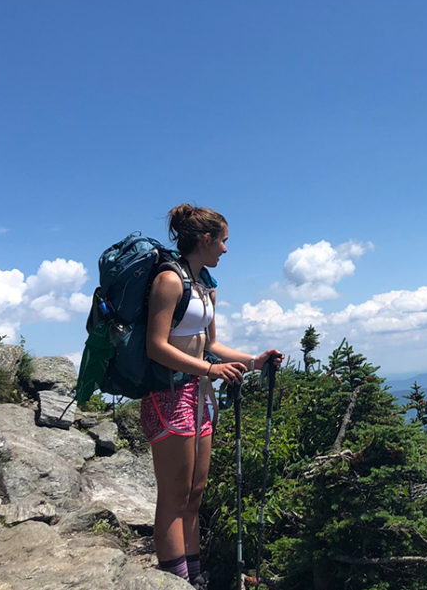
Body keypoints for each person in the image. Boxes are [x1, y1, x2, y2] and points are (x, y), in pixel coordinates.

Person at [142, 203, 284, 586]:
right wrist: (208, 370)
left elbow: (212, 344)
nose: (226, 249)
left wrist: (255, 362)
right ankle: (176, 581)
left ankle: (195, 577)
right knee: (174, 497)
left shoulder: (205, 286)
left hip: (199, 395)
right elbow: (156, 346)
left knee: (194, 495)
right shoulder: (169, 281)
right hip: (169, 394)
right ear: (206, 240)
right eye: (223, 241)